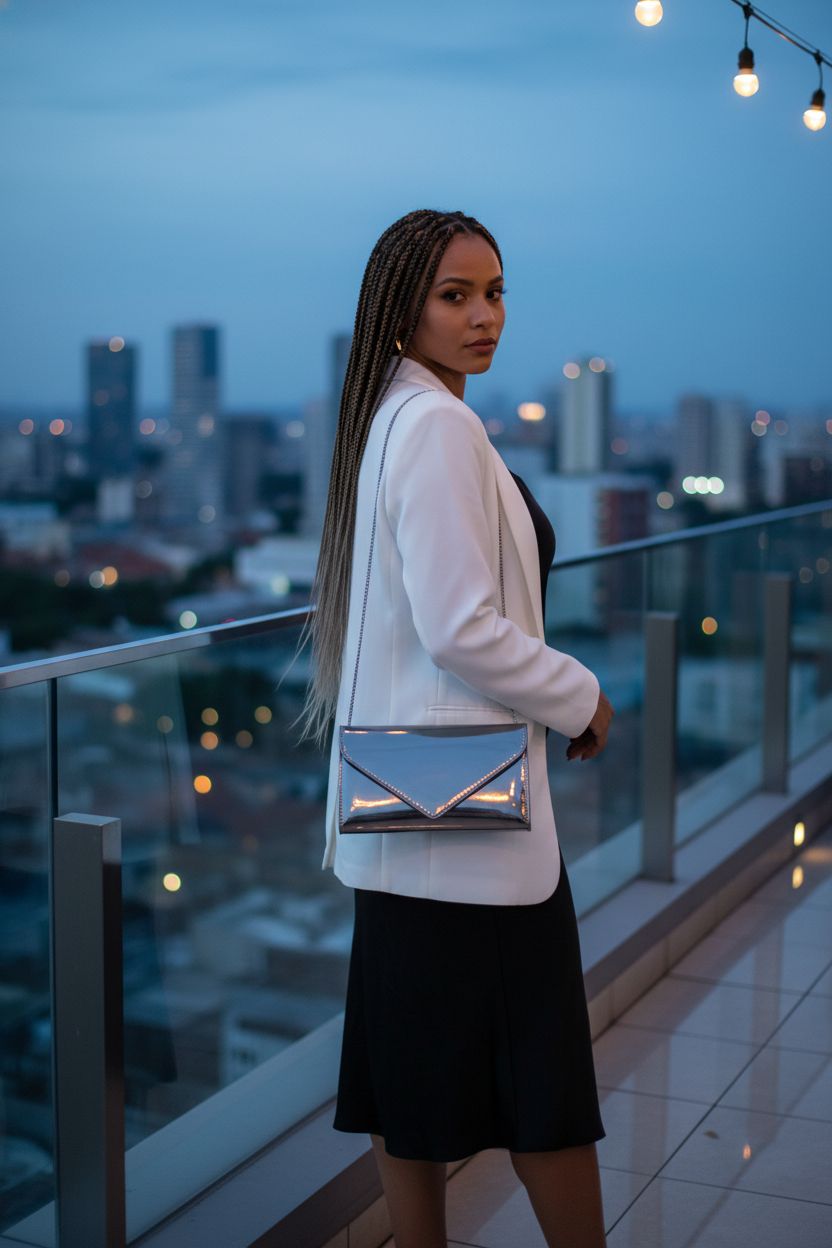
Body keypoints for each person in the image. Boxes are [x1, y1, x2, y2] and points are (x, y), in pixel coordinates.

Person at [291, 208, 614, 1248]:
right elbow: (460, 628)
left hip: (414, 799)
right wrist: (582, 696)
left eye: (494, 291)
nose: (485, 316)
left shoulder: (394, 415)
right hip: (475, 818)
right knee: (546, 1090)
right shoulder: (435, 425)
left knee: (408, 1074)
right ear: (401, 313)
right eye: (455, 296)